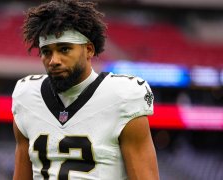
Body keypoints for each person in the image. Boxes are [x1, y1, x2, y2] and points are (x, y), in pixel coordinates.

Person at [12, 0, 159, 179]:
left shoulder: (123, 96)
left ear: (89, 49)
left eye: (64, 49)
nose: (54, 60)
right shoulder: (26, 95)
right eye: (46, 52)